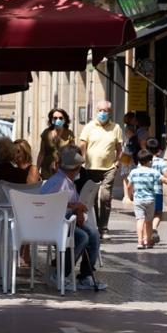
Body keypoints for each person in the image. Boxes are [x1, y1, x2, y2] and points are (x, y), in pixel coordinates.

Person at [40, 146, 107, 291]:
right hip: (52, 222)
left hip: (65, 220)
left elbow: (71, 204)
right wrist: (74, 206)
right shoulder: (59, 181)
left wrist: (78, 210)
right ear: (75, 168)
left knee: (93, 234)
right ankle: (60, 274)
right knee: (82, 237)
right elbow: (49, 202)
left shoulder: (67, 182)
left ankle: (86, 276)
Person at [78, 100, 123, 239]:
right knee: (92, 199)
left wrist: (117, 163)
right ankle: (96, 226)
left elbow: (120, 148)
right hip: (90, 168)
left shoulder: (116, 128)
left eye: (106, 111)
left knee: (105, 197)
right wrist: (83, 158)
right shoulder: (89, 127)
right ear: (96, 111)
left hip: (108, 168)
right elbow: (82, 143)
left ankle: (104, 228)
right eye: (101, 110)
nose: (103, 113)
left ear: (110, 112)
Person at [126, 150, 167, 249]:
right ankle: (148, 241)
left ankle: (140, 242)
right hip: (150, 200)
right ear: (149, 161)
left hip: (138, 200)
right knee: (149, 221)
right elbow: (165, 180)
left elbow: (129, 186)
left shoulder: (133, 172)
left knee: (140, 220)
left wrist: (130, 196)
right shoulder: (153, 172)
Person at [146, 138, 167, 242]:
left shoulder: (143, 161)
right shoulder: (161, 162)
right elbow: (166, 175)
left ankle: (147, 236)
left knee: (147, 215)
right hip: (157, 192)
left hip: (146, 192)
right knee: (158, 213)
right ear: (158, 151)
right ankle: (154, 228)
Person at [37, 108, 75, 179]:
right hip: (47, 170)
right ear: (51, 120)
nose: (58, 120)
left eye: (60, 118)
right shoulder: (46, 133)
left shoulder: (69, 134)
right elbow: (42, 153)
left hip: (63, 170)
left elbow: (72, 153)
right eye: (55, 118)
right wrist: (37, 170)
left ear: (65, 119)